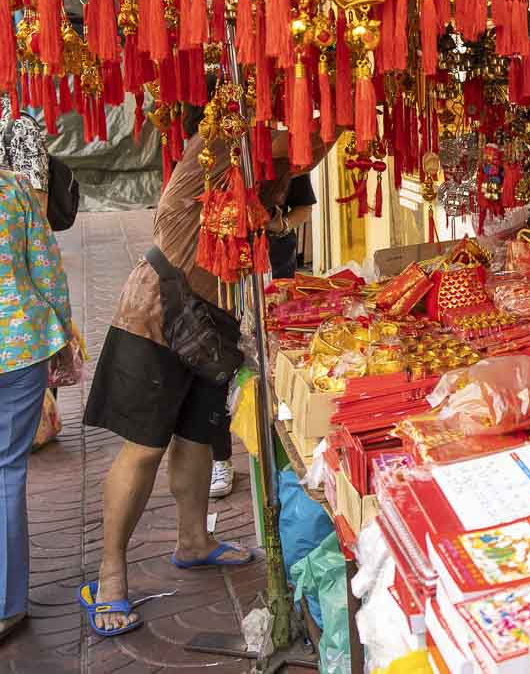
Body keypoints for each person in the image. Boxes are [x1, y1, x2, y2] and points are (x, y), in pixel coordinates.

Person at [80, 119, 330, 637]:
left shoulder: (271, 163)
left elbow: (296, 172)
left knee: (196, 437)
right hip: (160, 309)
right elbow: (298, 148)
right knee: (145, 447)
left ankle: (193, 541)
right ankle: (109, 577)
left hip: (214, 318)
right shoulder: (227, 135)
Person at [209, 175, 315, 500]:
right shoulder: (212, 156)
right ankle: (220, 458)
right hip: (220, 264)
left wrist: (279, 225)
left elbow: (305, 208)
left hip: (273, 261)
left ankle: (279, 442)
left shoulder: (285, 154)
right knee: (219, 362)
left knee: (275, 351)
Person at [0, 169, 71, 642]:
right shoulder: (13, 188)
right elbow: (46, 265)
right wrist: (63, 330)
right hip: (21, 342)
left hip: (21, 346)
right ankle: (7, 605)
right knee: (6, 471)